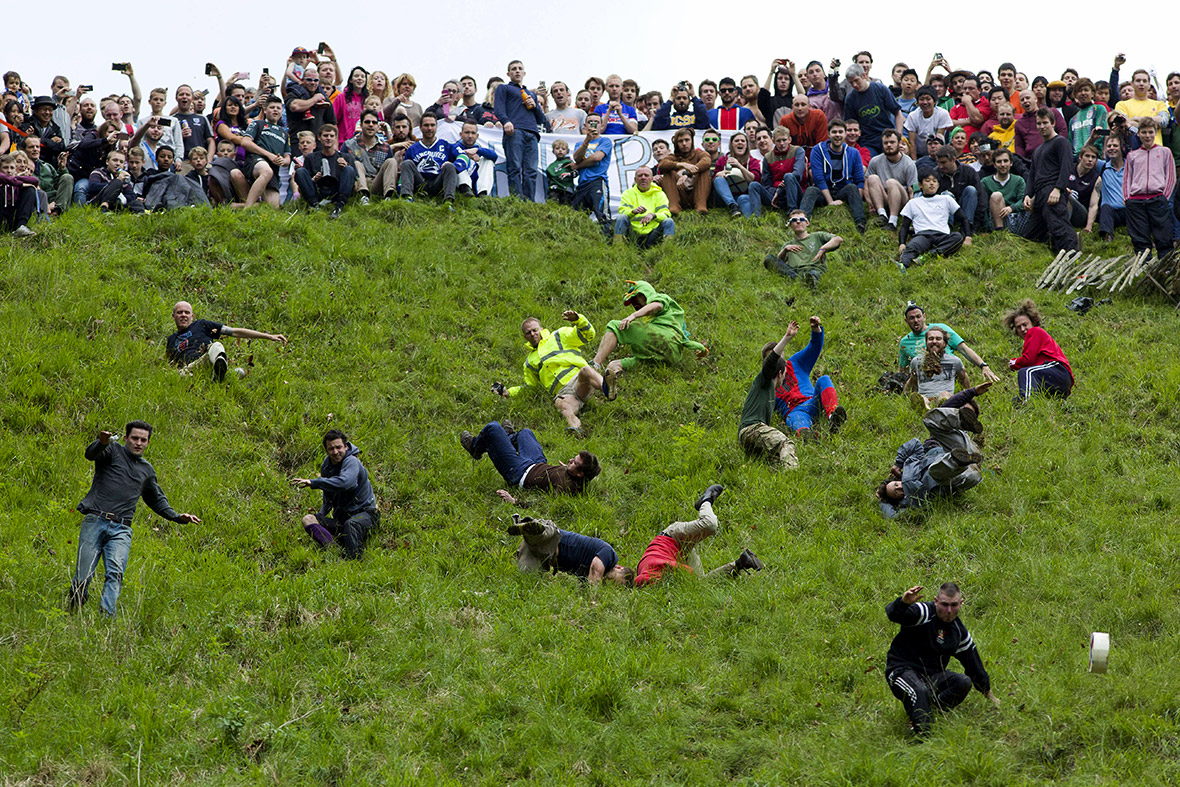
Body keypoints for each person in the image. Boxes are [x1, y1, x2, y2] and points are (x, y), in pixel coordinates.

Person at [70, 423, 201, 616]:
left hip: (121, 529)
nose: (138, 443)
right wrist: (101, 442)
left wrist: (177, 516)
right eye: (134, 438)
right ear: (125, 438)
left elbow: (157, 499)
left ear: (148, 443)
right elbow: (90, 454)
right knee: (83, 575)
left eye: (143, 440)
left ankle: (106, 618)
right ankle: (75, 612)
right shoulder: (111, 451)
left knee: (115, 573)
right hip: (95, 520)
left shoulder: (146, 471)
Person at [884, 581, 1000, 735]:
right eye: (944, 605)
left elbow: (973, 664)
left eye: (953, 605)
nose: (949, 610)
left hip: (930, 678)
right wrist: (903, 602)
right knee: (919, 690)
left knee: (963, 682)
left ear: (961, 604)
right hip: (901, 670)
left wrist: (989, 694)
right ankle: (924, 737)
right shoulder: (924, 612)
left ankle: (928, 711)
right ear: (936, 601)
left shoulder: (958, 633)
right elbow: (894, 614)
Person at [495, 310, 609, 434]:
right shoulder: (529, 363)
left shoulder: (559, 336)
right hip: (564, 393)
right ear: (525, 337)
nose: (532, 334)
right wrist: (507, 392)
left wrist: (578, 320)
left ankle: (608, 388)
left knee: (586, 370)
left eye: (535, 330)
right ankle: (576, 429)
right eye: (528, 333)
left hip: (578, 380)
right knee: (561, 404)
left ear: (541, 329)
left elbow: (588, 335)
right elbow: (529, 387)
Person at [876, 391, 987, 518]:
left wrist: (898, 463)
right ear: (897, 500)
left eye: (896, 485)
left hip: (958, 445)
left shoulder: (910, 466)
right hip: (961, 475)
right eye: (896, 492)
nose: (900, 488)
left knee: (929, 419)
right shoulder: (911, 501)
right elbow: (892, 516)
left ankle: (961, 421)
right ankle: (958, 461)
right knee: (935, 472)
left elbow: (915, 443)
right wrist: (881, 501)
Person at [632, 485, 763, 586]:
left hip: (672, 538)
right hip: (680, 555)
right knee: (701, 585)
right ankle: (741, 563)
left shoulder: (646, 577)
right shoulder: (655, 582)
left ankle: (705, 501)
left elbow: (685, 572)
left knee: (710, 525)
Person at [589, 280, 708, 385]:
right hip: (673, 356)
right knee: (614, 364)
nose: (635, 305)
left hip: (661, 337)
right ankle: (616, 372)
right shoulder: (669, 318)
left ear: (643, 294)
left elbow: (656, 306)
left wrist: (633, 315)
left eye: (635, 299)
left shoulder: (660, 298)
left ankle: (595, 364)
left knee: (614, 325)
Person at [291, 429, 379, 560]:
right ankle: (333, 551)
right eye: (331, 449)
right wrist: (320, 517)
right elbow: (328, 498)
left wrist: (315, 482)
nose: (335, 452)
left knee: (352, 525)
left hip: (366, 515)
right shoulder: (327, 466)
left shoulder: (352, 462)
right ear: (326, 450)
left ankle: (354, 561)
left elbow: (346, 483)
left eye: (338, 447)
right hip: (342, 519)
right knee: (308, 519)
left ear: (346, 446)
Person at [459, 421, 601, 495]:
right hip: (537, 463)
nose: (570, 460)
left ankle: (475, 448)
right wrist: (567, 468)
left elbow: (542, 502)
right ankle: (508, 437)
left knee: (493, 428)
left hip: (520, 472)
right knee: (526, 433)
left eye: (574, 463)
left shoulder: (567, 487)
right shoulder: (577, 476)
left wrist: (515, 501)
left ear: (580, 473)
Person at [769, 315, 848, 441]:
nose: (775, 360)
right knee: (796, 419)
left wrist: (816, 330)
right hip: (795, 411)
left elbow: (814, 348)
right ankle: (807, 435)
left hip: (812, 401)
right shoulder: (766, 384)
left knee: (824, 379)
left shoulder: (795, 363)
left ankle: (832, 416)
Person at [165, 301, 287, 381]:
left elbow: (234, 332)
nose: (183, 315)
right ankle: (227, 376)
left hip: (206, 361)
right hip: (188, 370)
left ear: (192, 316)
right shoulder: (171, 340)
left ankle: (219, 370)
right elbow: (169, 365)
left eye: (187, 312)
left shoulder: (201, 325)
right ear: (173, 316)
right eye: (179, 312)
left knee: (217, 346)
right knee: (177, 376)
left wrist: (268, 336)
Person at [738, 322, 801, 468]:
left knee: (774, 459)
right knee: (786, 444)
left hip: (751, 435)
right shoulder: (765, 380)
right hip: (752, 429)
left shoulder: (770, 391)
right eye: (784, 373)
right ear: (780, 373)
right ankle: (792, 476)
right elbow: (771, 361)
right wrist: (786, 338)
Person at [504, 514, 630, 584]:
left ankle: (525, 529)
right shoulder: (609, 555)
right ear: (620, 567)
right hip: (553, 539)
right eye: (614, 579)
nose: (610, 582)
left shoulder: (586, 577)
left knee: (528, 579)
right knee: (542, 534)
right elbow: (595, 569)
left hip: (542, 556)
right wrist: (594, 599)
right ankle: (528, 526)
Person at [1021, 109, 1080, 253]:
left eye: (1045, 123)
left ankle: (1072, 255)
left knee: (1058, 225)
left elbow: (1066, 167)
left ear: (1053, 123)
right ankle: (1050, 255)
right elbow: (1032, 175)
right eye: (1039, 123)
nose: (1042, 126)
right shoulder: (1038, 150)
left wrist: (1058, 189)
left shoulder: (1061, 142)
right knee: (1029, 235)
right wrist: (1028, 195)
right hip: (1039, 195)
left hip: (1052, 190)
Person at [898, 302, 998, 382]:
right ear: (906, 321)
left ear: (924, 317)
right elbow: (903, 370)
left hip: (948, 374)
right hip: (924, 379)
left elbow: (964, 349)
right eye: (911, 318)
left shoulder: (941, 329)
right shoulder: (905, 342)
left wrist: (983, 365)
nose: (916, 320)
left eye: (918, 316)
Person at [494, 60, 550, 201]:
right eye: (514, 69)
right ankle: (516, 200)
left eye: (520, 68)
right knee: (515, 167)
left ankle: (529, 202)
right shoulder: (504, 88)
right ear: (508, 73)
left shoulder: (531, 94)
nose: (517, 71)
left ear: (524, 73)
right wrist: (506, 121)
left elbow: (541, 119)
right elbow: (498, 108)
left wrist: (535, 105)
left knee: (531, 170)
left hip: (532, 132)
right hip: (515, 131)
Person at [1122, 118, 1176, 258]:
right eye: (1144, 132)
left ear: (1155, 133)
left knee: (1163, 236)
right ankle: (1143, 267)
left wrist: (1165, 196)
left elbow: (1170, 176)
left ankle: (1165, 267)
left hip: (1157, 198)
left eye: (1150, 132)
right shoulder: (1132, 155)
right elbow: (1127, 178)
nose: (1147, 136)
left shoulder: (1165, 152)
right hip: (1136, 201)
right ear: (1138, 134)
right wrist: (1127, 198)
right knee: (1140, 238)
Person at [801, 119, 866, 232]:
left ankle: (860, 223)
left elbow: (860, 180)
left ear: (845, 134)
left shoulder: (853, 153)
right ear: (828, 134)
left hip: (843, 189)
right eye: (834, 132)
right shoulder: (818, 150)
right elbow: (819, 178)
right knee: (811, 190)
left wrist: (855, 201)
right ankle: (801, 221)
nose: (837, 135)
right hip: (823, 190)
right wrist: (830, 202)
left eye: (840, 132)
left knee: (852, 187)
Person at [1004, 299, 1074, 403]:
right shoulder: (1035, 337)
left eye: (1025, 324)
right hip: (1059, 381)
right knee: (1017, 399)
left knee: (1026, 372)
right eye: (1019, 327)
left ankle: (1027, 403)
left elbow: (1028, 359)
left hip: (1058, 370)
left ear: (1032, 322)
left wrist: (1013, 363)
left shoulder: (1035, 331)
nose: (1023, 329)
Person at [763, 210, 843, 285]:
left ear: (807, 222)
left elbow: (838, 239)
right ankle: (801, 280)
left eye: (801, 219)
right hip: (794, 270)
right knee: (769, 259)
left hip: (813, 269)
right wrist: (785, 250)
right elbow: (779, 262)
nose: (798, 222)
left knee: (812, 274)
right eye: (794, 220)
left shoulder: (818, 236)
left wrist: (823, 248)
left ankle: (802, 280)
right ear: (790, 226)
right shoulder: (788, 245)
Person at [902, 326, 972, 410]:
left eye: (938, 339)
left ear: (944, 343)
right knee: (922, 398)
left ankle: (942, 406)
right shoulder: (916, 362)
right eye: (931, 339)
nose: (934, 341)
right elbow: (912, 382)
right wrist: (904, 395)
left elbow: (963, 378)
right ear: (926, 342)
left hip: (945, 395)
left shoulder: (954, 361)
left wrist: (969, 396)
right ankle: (925, 408)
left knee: (944, 395)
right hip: (925, 396)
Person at [295, 124, 356, 218]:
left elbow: (355, 185)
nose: (328, 138)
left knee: (349, 169)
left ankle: (339, 207)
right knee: (300, 171)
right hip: (318, 191)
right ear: (319, 138)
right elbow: (302, 187)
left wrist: (344, 168)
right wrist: (314, 179)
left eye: (331, 136)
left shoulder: (346, 157)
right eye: (325, 135)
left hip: (338, 190)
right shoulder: (311, 157)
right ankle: (314, 205)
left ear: (336, 138)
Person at [241, 96, 290, 209]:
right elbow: (245, 142)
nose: (275, 110)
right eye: (272, 107)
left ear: (282, 111)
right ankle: (246, 209)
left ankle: (236, 206)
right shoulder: (257, 124)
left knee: (273, 208)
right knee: (266, 171)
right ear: (265, 109)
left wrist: (283, 161)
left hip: (274, 168)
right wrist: (269, 155)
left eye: (278, 108)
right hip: (255, 160)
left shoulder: (284, 133)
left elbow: (287, 157)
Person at [843, 63, 903, 155]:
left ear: (863, 75)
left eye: (856, 80)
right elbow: (849, 123)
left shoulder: (880, 89)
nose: (854, 85)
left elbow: (898, 113)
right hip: (867, 140)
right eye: (851, 83)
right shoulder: (850, 98)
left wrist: (899, 136)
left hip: (886, 135)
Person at [399, 114, 458, 205]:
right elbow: (406, 171)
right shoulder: (413, 148)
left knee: (450, 166)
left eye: (432, 125)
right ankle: (407, 197)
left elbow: (463, 157)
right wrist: (400, 187)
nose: (429, 128)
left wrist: (455, 165)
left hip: (439, 182)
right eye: (426, 125)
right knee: (407, 163)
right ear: (420, 127)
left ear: (436, 126)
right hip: (420, 183)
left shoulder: (446, 145)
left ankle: (448, 202)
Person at [866, 129, 918, 228]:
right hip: (883, 198)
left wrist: (912, 213)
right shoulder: (875, 161)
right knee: (872, 178)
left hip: (902, 201)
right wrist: (870, 203)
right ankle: (882, 215)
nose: (889, 145)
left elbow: (912, 191)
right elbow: (866, 184)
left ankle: (893, 221)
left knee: (891, 183)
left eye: (892, 142)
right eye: (886, 143)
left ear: (899, 143)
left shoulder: (909, 163)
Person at [614, 166, 675, 249]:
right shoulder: (628, 193)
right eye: (640, 176)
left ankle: (667, 250)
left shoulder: (660, 194)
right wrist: (632, 212)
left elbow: (666, 214)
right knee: (621, 218)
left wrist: (653, 215)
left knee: (669, 221)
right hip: (633, 233)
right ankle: (618, 248)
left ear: (651, 179)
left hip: (652, 234)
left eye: (646, 175)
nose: (643, 178)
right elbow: (622, 211)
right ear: (635, 179)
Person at [570, 114, 612, 228]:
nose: (593, 124)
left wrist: (578, 166)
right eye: (590, 122)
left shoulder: (605, 141)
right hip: (582, 184)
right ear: (585, 125)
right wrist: (586, 141)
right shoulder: (580, 144)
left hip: (597, 181)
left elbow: (596, 158)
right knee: (575, 218)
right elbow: (577, 158)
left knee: (602, 215)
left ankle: (607, 243)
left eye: (596, 122)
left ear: (601, 125)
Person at [712, 132, 767, 219]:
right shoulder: (722, 160)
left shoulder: (753, 161)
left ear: (746, 145)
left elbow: (755, 180)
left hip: (744, 194)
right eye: (736, 141)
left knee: (743, 198)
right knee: (718, 180)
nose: (740, 143)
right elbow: (714, 182)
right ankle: (733, 206)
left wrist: (739, 166)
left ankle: (752, 222)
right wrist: (718, 174)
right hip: (724, 197)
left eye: (743, 141)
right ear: (731, 145)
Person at [347, 109, 398, 201]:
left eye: (374, 122)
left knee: (391, 161)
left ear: (378, 127)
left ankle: (388, 196)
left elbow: (389, 170)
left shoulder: (385, 147)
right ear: (361, 125)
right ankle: (363, 196)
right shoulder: (349, 145)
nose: (371, 125)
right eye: (367, 122)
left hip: (377, 183)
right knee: (357, 164)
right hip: (357, 183)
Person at [658, 128, 712, 215]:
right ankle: (674, 206)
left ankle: (701, 206)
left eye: (687, 140)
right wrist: (682, 164)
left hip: (696, 192)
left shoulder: (699, 153)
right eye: (680, 141)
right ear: (676, 143)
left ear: (692, 141)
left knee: (704, 170)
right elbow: (662, 165)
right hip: (680, 193)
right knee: (668, 172)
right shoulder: (673, 156)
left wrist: (687, 173)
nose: (684, 144)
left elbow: (706, 161)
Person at [760, 126, 806, 211]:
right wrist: (777, 190)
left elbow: (797, 174)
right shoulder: (767, 157)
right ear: (773, 141)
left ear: (789, 140)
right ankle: (755, 217)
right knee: (753, 186)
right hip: (776, 194)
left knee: (788, 176)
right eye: (778, 140)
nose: (782, 143)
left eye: (784, 140)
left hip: (796, 191)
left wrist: (781, 188)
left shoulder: (798, 151)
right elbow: (766, 184)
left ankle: (792, 211)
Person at [982, 148, 1028, 233]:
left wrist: (1012, 208)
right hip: (995, 220)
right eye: (999, 162)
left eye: (1005, 161)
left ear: (1011, 163)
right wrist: (985, 228)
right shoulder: (985, 182)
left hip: (1015, 218)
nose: (1003, 165)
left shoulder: (1018, 180)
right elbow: (983, 206)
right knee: (997, 195)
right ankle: (1001, 234)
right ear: (994, 164)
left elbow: (1023, 200)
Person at [904, 87, 954, 160]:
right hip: (918, 153)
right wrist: (914, 161)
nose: (925, 102)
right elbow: (912, 142)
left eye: (928, 99)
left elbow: (939, 139)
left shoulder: (942, 114)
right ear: (917, 102)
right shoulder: (913, 116)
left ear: (934, 102)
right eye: (921, 99)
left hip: (937, 154)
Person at [1096, 134, 1127, 242]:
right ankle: (1107, 236)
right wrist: (1092, 139)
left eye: (1115, 145)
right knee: (1105, 207)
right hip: (1111, 213)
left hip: (1128, 210)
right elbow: (1085, 154)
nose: (1112, 148)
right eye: (1109, 146)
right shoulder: (1103, 166)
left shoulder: (1130, 166)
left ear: (1122, 148)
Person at [0, 153, 38, 236]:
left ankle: (21, 226)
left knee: (30, 190)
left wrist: (14, 179)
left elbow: (35, 180)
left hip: (12, 216)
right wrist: (20, 184)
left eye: (12, 168)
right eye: (5, 168)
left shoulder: (16, 180)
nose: (9, 171)